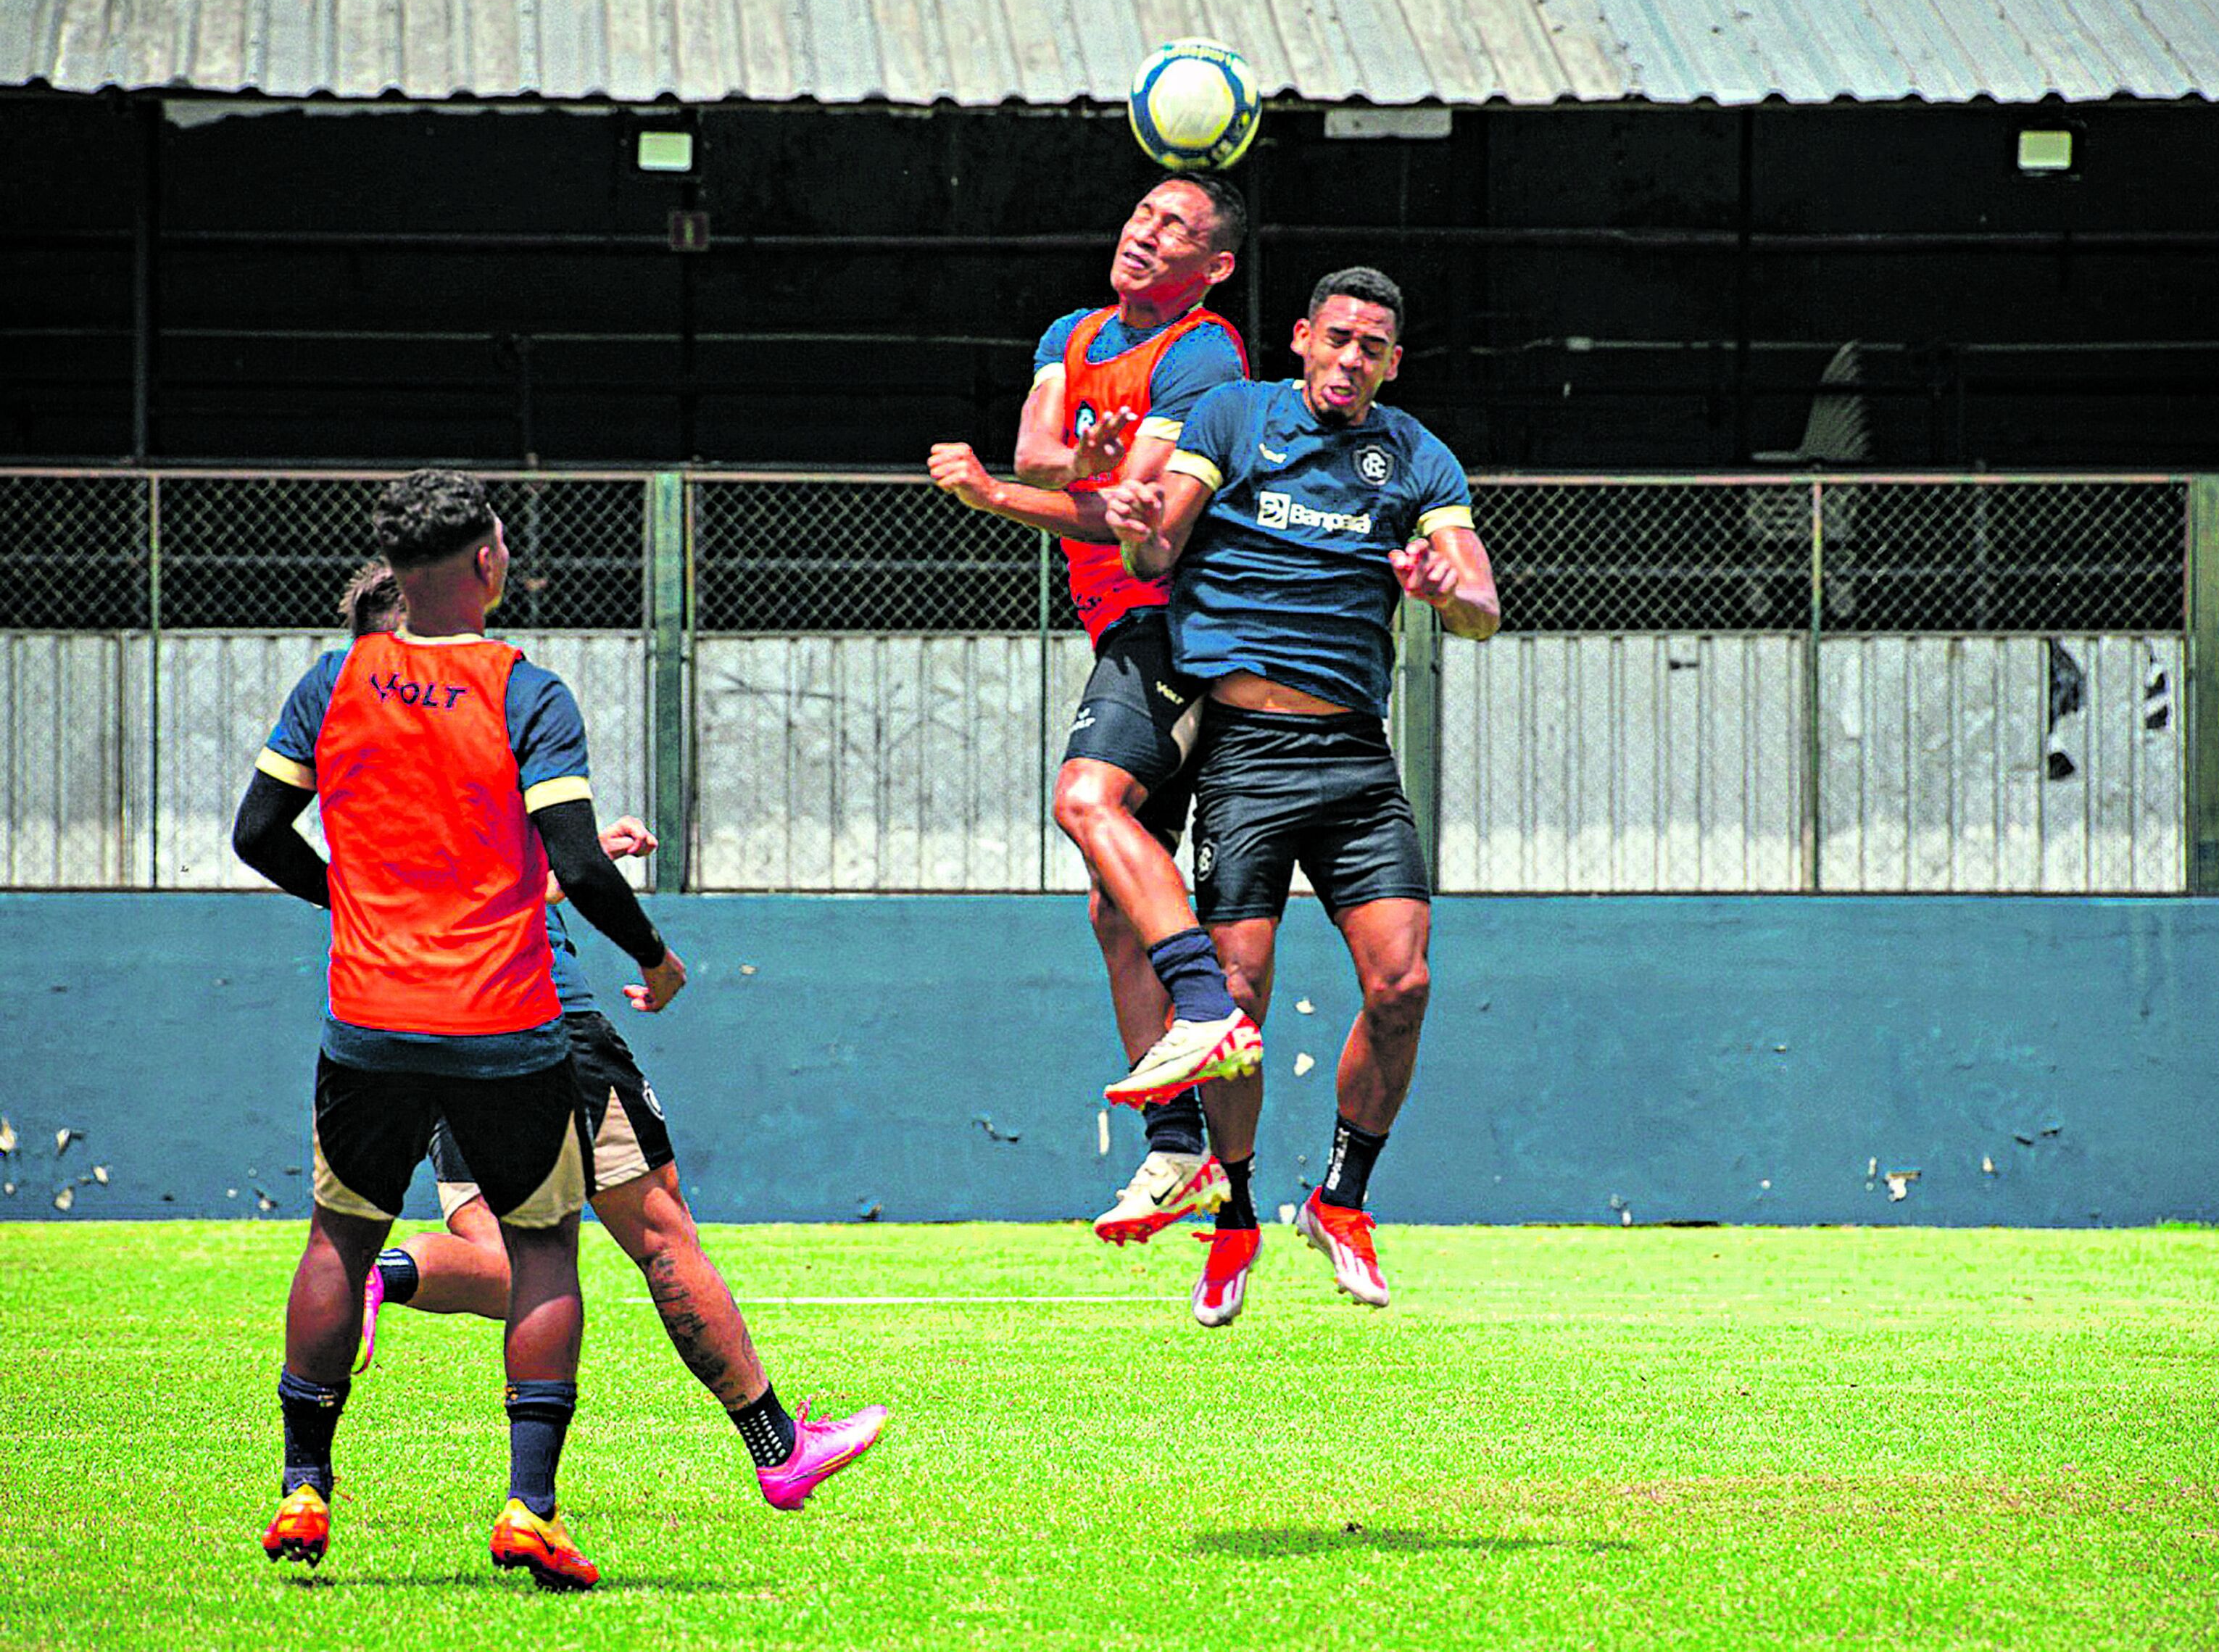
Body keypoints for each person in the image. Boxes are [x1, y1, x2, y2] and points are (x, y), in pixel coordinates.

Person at [334, 561, 885, 1518]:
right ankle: (779, 1448)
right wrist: (636, 930)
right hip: (544, 1018)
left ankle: (386, 1271)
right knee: (663, 1234)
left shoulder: (360, 756)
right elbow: (528, 878)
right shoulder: (495, 722)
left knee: (513, 1262)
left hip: (421, 1024)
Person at [231, 468, 688, 1590]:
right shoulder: (525, 689)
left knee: (339, 1233)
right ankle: (529, 1508)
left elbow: (255, 832)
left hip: (370, 1021)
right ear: (489, 561)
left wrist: (351, 902)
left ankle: (303, 1483)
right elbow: (577, 860)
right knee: (541, 1248)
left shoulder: (332, 682)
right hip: (505, 1021)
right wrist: (655, 958)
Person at [1105, 267, 1501, 1327]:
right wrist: (1142, 518)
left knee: (1403, 983)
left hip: (1354, 758)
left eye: (1372, 346)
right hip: (1243, 754)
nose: (1350, 359)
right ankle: (1233, 1214)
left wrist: (1441, 586)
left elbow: (1481, 606)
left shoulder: (1414, 455)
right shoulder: (1233, 415)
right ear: (1300, 340)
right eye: (1336, 338)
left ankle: (1340, 1200)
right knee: (1233, 1006)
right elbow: (1156, 543)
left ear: (1391, 362)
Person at [926, 173, 1261, 1244]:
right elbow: (1047, 460)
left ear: (1213, 268)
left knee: (1084, 797)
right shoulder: (1070, 333)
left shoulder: (1203, 351)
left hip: (1185, 626)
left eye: (1177, 228)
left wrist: (998, 494)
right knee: (1110, 907)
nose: (1144, 232)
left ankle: (1203, 1009)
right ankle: (1177, 1150)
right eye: (1142, 213)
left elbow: (1132, 512)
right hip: (1125, 626)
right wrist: (1063, 471)